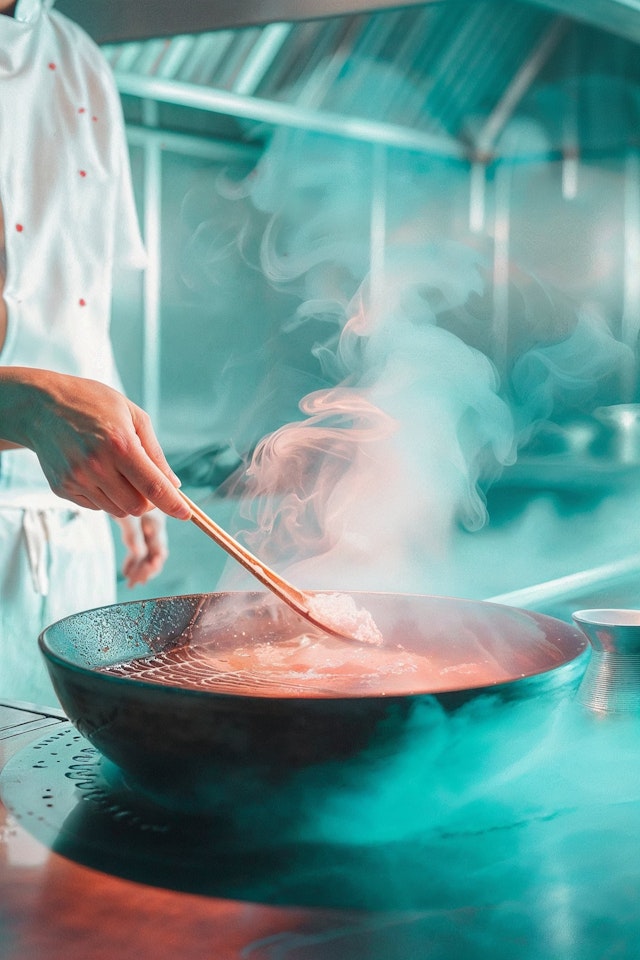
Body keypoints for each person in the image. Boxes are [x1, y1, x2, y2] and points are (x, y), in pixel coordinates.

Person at [0, 0, 191, 706]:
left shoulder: (77, 57)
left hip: (73, 536)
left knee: (58, 789)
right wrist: (21, 404)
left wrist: (119, 445)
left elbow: (80, 294)